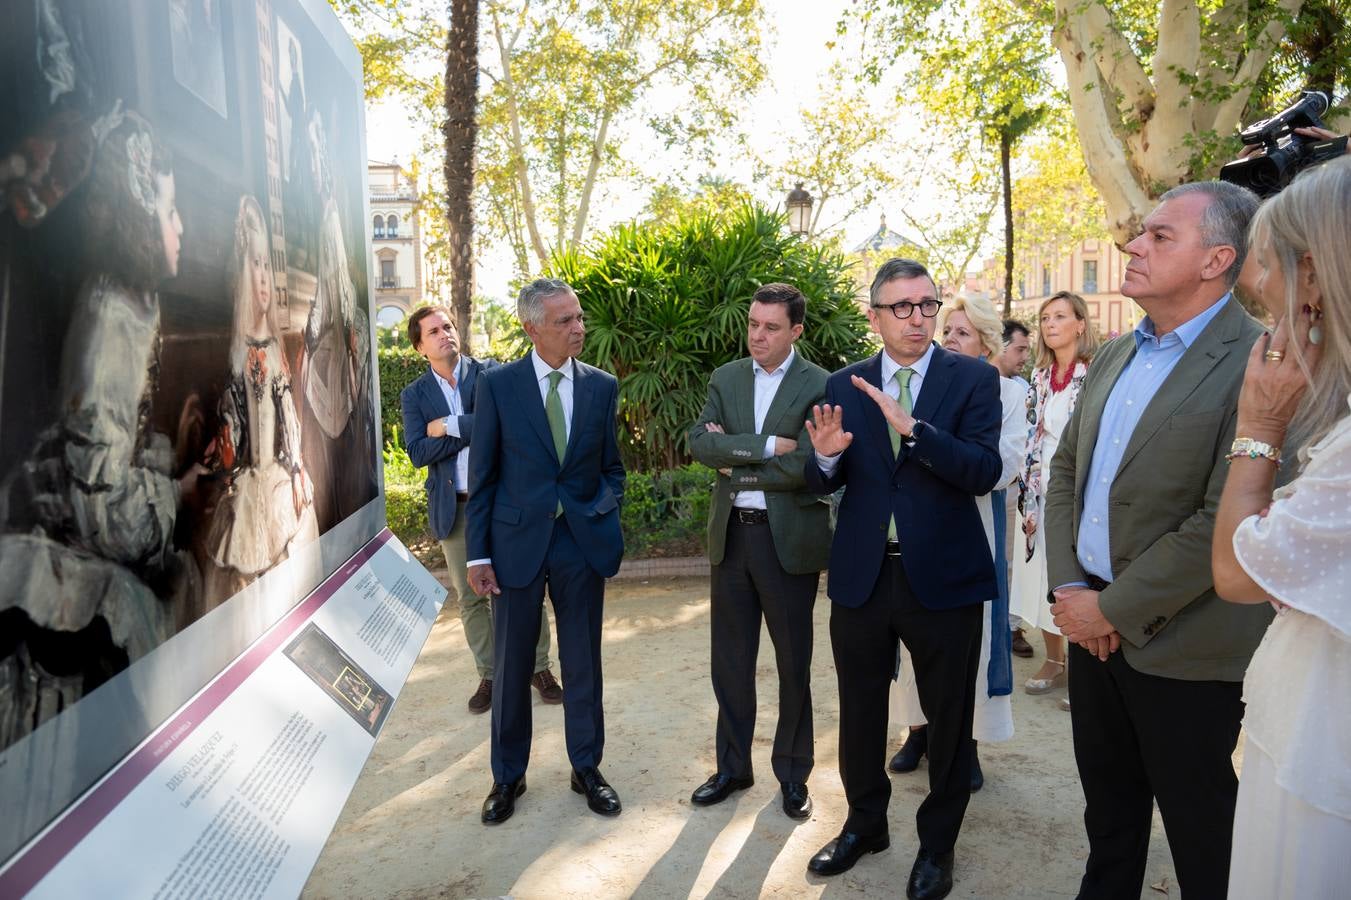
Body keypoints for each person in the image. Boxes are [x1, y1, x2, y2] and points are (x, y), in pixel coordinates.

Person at [1044, 181, 1273, 899]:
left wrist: (1114, 610)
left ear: (1216, 259)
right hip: (1089, 624)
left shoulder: (1260, 363)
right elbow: (1064, 475)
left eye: (1158, 236)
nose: (1132, 246)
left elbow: (1222, 517)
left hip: (1185, 644)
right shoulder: (1113, 353)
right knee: (1108, 815)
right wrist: (1073, 589)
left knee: (1203, 829)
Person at [803, 258, 1002, 899]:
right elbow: (820, 479)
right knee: (860, 713)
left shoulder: (971, 378)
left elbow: (981, 470)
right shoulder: (844, 381)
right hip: (863, 576)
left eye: (926, 304)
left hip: (943, 577)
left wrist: (913, 428)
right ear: (875, 316)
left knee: (947, 719)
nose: (917, 318)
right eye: (902, 307)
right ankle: (865, 825)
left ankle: (937, 847)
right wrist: (826, 460)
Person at [1211, 156, 1351, 900]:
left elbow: (1237, 574)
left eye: (1263, 265)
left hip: (1323, 753)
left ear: (1314, 274)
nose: (1255, 286)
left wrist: (1258, 424)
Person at [467, 278, 626, 825]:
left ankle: (587, 768)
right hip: (513, 546)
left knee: (584, 662)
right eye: (565, 321)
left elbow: (612, 468)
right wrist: (476, 555)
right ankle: (507, 777)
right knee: (511, 668)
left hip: (580, 544)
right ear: (532, 327)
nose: (578, 327)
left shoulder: (602, 386)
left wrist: (602, 510)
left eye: (579, 317)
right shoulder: (498, 385)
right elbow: (483, 475)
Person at [687, 282, 831, 821]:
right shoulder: (725, 378)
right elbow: (701, 443)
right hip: (732, 538)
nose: (758, 336)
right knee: (729, 661)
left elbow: (810, 467)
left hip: (786, 542)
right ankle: (731, 767)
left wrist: (736, 460)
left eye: (771, 327)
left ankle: (793, 774)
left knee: (793, 662)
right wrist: (769, 448)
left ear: (795, 330)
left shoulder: (819, 383)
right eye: (753, 324)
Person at [888, 295, 1026, 792]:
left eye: (962, 333)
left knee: (968, 643)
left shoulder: (1006, 395)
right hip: (915, 530)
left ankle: (963, 744)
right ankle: (918, 731)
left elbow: (1002, 469)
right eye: (948, 331)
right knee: (911, 638)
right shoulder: (921, 386)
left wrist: (939, 453)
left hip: (972, 531)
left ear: (988, 345)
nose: (949, 340)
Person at [399, 305, 561, 714]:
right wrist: (474, 429)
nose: (444, 334)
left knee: (525, 586)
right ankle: (490, 674)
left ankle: (539, 668)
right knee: (470, 596)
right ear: (421, 347)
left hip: (506, 503)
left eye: (448, 326)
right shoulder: (414, 395)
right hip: (455, 510)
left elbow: (507, 424)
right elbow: (418, 451)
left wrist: (449, 425)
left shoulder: (492, 374)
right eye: (433, 331)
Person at [202, 195, 318, 603]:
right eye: (256, 265)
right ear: (241, 273)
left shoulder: (274, 346)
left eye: (268, 265)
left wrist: (298, 465)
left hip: (280, 477)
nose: (264, 278)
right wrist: (224, 445)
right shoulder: (233, 353)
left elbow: (287, 415)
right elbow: (232, 425)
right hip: (248, 482)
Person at [1010, 292, 1097, 695]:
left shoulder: (1095, 373)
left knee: (1076, 575)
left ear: (1080, 323)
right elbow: (1033, 435)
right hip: (1037, 495)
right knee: (1040, 576)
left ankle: (1084, 668)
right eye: (1045, 318)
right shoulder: (1040, 377)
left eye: (1059, 316)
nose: (1050, 324)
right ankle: (1054, 660)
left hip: (1078, 493)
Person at [995, 319, 1034, 659]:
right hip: (994, 483)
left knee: (1011, 560)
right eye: (1020, 349)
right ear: (1000, 345)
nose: (1024, 356)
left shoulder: (1022, 387)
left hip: (1017, 489)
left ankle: (1011, 626)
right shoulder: (982, 384)